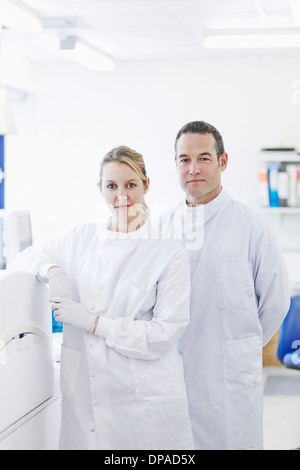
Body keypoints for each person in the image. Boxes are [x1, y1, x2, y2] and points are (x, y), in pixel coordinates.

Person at [9, 146, 194, 451]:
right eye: (111, 186)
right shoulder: (78, 239)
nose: (121, 196)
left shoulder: (168, 253)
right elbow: (24, 258)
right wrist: (53, 270)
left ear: (146, 185)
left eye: (131, 185)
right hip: (86, 394)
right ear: (100, 189)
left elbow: (164, 334)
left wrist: (94, 323)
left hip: (140, 396)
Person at [159, 121, 290, 450]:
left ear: (223, 161)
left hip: (229, 381)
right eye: (184, 159)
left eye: (204, 158)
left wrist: (240, 347)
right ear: (174, 164)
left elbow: (275, 301)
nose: (194, 168)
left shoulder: (252, 227)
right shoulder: (160, 228)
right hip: (172, 375)